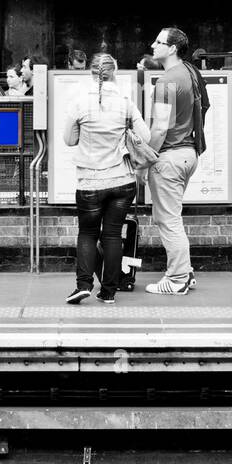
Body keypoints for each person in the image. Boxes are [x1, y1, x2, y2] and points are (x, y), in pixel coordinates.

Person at [62, 52, 150, 305]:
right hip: (122, 181)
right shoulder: (125, 101)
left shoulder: (79, 101)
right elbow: (144, 135)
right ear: (116, 71)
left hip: (90, 181)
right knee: (112, 235)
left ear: (91, 72)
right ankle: (109, 291)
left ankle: (83, 285)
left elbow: (69, 140)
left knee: (88, 233)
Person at [144, 26, 204, 295]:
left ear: (172, 48)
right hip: (189, 153)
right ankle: (186, 272)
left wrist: (145, 158)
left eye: (159, 42)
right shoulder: (192, 73)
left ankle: (177, 278)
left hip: (170, 157)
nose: (153, 45)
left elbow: (160, 128)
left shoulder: (167, 81)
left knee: (169, 221)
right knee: (172, 217)